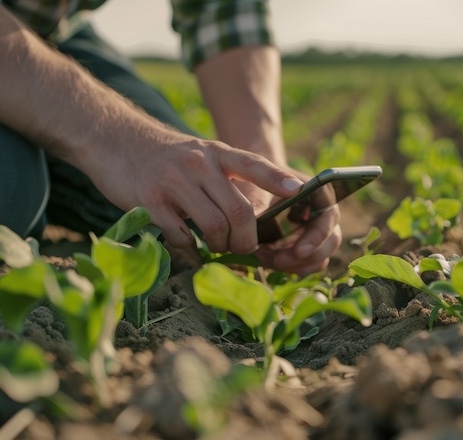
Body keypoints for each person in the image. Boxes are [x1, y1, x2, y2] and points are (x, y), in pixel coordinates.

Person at [0, 1, 341, 275]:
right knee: (13, 192)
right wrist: (120, 140)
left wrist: (261, 174)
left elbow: (223, 11)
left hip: (48, 29)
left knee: (196, 203)